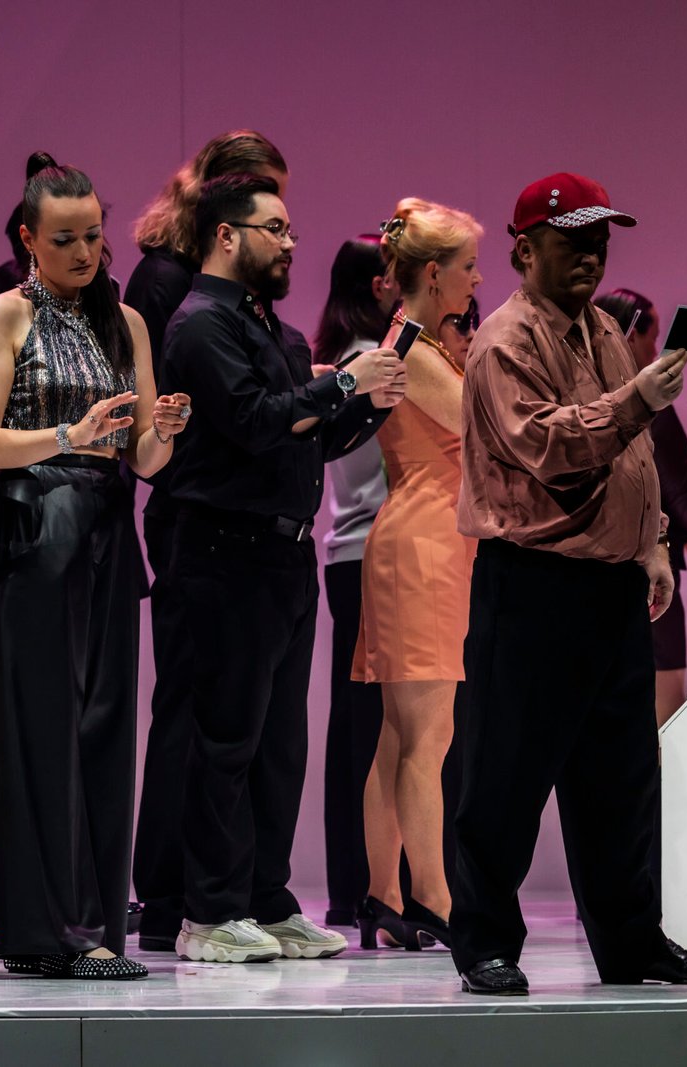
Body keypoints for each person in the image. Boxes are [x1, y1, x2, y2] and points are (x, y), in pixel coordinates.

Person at [450, 172, 687, 996]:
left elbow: (633, 456)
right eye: (571, 240)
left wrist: (654, 543)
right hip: (533, 582)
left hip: (608, 583)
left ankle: (631, 940)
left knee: (620, 777)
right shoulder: (504, 341)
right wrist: (638, 400)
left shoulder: (602, 328)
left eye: (599, 239)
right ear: (524, 250)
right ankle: (485, 942)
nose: (590, 254)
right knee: (505, 774)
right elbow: (549, 445)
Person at [159, 173, 402, 963]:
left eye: (291, 228)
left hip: (286, 553)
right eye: (275, 228)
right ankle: (208, 911)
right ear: (226, 235)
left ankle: (266, 898)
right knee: (226, 738)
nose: (290, 241)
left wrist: (366, 402)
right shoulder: (200, 324)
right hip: (225, 549)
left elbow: (309, 439)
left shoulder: (280, 332)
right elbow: (254, 422)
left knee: (278, 745)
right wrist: (345, 383)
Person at [0, 152, 189, 979]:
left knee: (102, 728)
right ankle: (52, 928)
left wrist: (164, 428)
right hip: (34, 525)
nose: (85, 251)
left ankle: (89, 924)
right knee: (42, 730)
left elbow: (146, 460)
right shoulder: (1, 315)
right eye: (65, 239)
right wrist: (68, 435)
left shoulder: (124, 321)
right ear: (28, 238)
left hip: (105, 526)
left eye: (93, 235)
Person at [128, 129, 290, 951]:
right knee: (196, 714)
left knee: (239, 719)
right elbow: (195, 406)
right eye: (269, 217)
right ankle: (174, 898)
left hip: (235, 514)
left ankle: (227, 893)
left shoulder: (235, 295)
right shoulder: (173, 285)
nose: (283, 236)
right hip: (197, 510)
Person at [352, 202, 483, 952]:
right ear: (434, 274)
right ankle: (434, 897)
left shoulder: (416, 343)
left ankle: (386, 894)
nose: (476, 280)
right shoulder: (413, 348)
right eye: (468, 267)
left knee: (401, 735)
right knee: (426, 736)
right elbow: (485, 431)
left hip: (425, 539)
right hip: (425, 545)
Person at [311, 235, 395, 928]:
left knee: (357, 723)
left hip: (353, 552)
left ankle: (353, 886)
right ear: (377, 286)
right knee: (373, 726)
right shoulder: (371, 363)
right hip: (375, 551)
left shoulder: (348, 357)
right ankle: (366, 886)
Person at [594, 289, 687, 722]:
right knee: (664, 714)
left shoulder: (585, 402)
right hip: (648, 575)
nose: (658, 351)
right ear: (630, 335)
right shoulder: (649, 409)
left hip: (595, 574)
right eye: (653, 338)